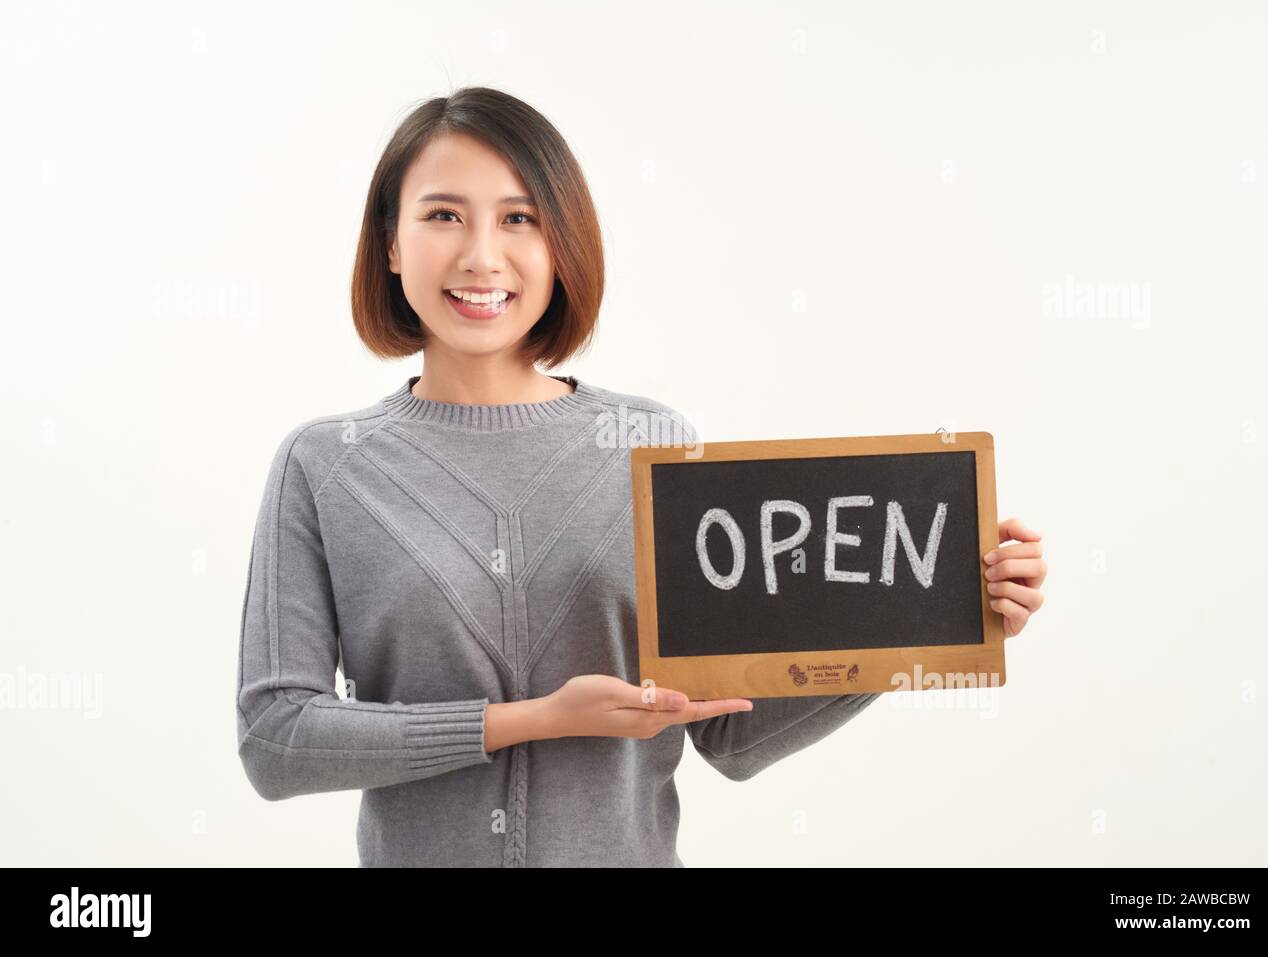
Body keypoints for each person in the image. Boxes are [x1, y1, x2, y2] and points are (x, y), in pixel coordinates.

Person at [235, 86, 1047, 867]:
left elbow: (728, 732)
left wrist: (934, 620)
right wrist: (529, 720)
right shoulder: (326, 465)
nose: (482, 255)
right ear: (389, 242)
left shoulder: (650, 446)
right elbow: (276, 738)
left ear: (561, 246)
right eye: (444, 215)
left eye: (520, 218)